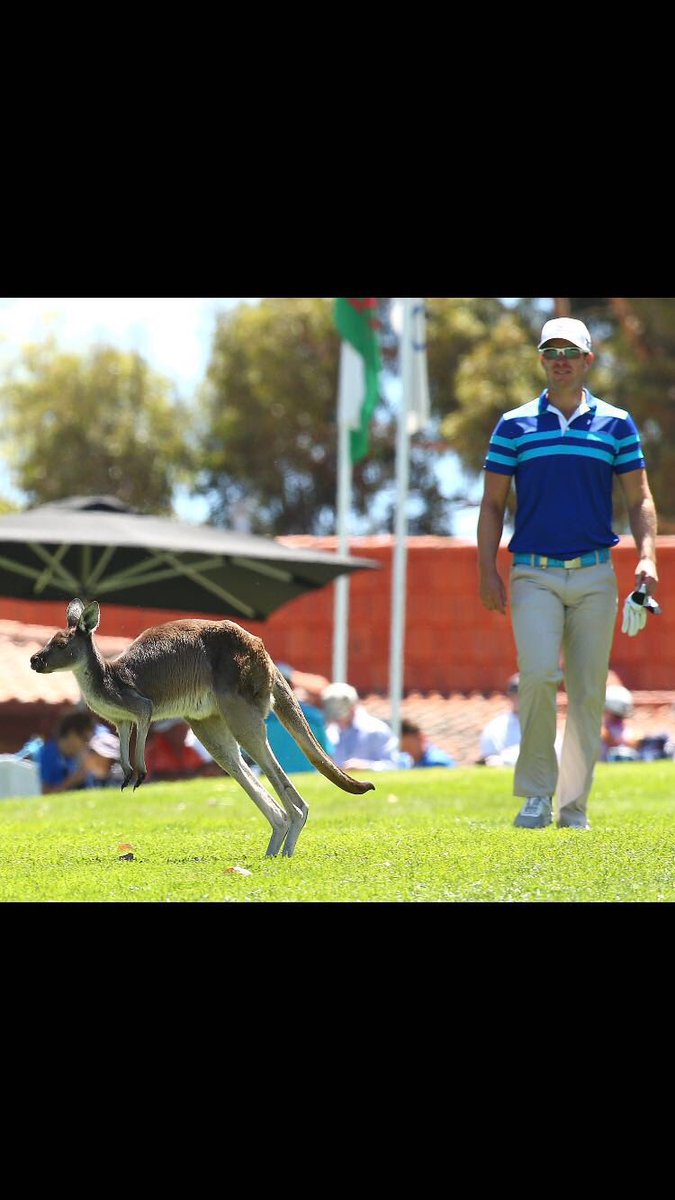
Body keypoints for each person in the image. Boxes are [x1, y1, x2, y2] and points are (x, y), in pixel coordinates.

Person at [478, 316, 659, 830]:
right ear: (542, 359)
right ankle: (537, 795)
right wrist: (486, 569)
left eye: (570, 352)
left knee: (587, 692)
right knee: (537, 675)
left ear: (587, 360)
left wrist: (647, 557)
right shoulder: (513, 425)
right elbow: (492, 504)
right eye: (552, 351)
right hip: (533, 573)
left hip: (596, 575)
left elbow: (639, 498)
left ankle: (573, 805)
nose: (561, 360)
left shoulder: (617, 424)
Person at [265, 663, 333, 774]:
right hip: (309, 777)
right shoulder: (314, 717)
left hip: (274, 777)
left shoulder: (262, 718)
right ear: (292, 686)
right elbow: (327, 752)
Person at [321, 682, 402, 771]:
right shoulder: (330, 732)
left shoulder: (376, 730)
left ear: (353, 707)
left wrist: (367, 766)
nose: (337, 718)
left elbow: (394, 765)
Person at [37, 709, 95, 794]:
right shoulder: (49, 754)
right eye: (84, 739)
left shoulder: (74, 757)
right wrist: (72, 781)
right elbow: (46, 794)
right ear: (72, 733)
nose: (86, 744)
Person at [144, 719, 222, 782]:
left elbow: (200, 768)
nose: (183, 732)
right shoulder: (153, 749)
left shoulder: (188, 751)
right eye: (178, 729)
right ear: (168, 731)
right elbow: (149, 777)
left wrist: (207, 770)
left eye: (184, 728)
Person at [478, 674, 522, 767]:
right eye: (518, 695)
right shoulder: (496, 728)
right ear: (510, 697)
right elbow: (490, 761)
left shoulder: (546, 726)